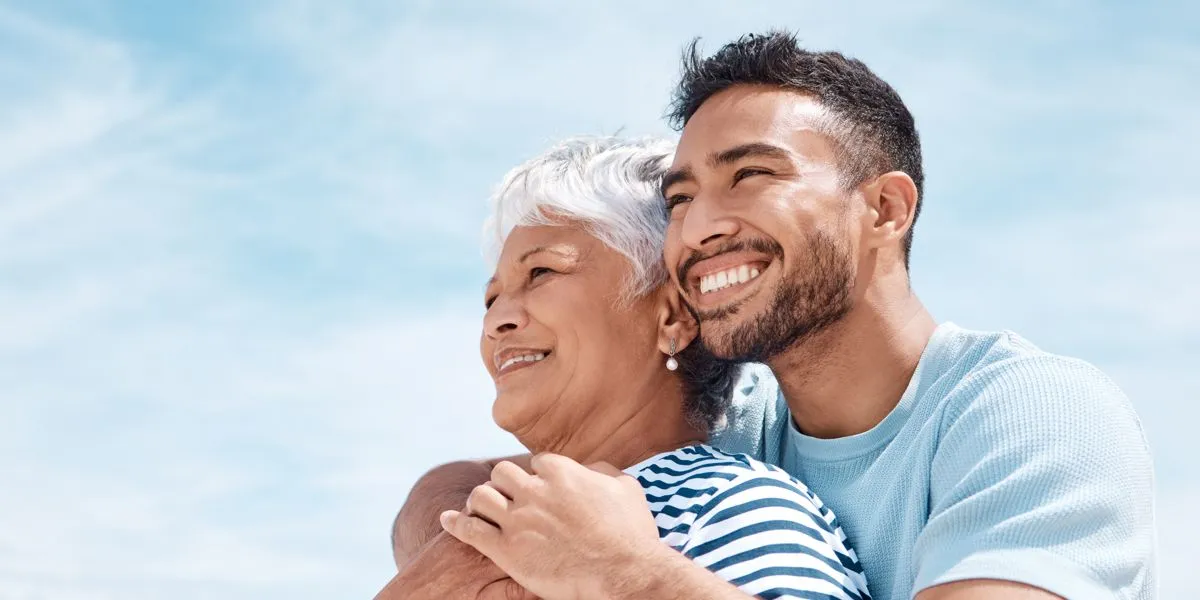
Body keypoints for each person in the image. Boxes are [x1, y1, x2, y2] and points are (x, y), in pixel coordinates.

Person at [396, 32, 1155, 600]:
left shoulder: (1031, 413)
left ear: (885, 208)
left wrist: (625, 574)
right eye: (681, 199)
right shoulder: (738, 422)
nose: (696, 230)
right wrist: (474, 546)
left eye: (751, 175)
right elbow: (457, 483)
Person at [376, 137, 871, 600]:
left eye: (541, 272)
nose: (496, 320)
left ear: (673, 317)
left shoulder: (737, 505)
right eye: (492, 296)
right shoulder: (501, 517)